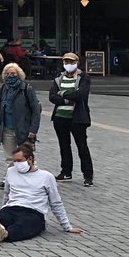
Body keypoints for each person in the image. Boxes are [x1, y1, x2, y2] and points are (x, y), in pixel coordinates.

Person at [0, 144, 83, 242]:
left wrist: (67, 226)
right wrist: (3, 209)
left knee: (24, 224)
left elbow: (56, 203)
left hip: (34, 211)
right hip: (12, 207)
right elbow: (7, 194)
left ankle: (5, 234)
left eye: (19, 161)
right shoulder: (11, 171)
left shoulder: (46, 176)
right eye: (15, 161)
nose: (17, 164)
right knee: (1, 217)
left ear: (30, 159)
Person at [49, 52, 93, 186]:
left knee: (82, 146)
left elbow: (81, 95)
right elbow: (52, 97)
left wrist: (62, 93)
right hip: (60, 116)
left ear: (77, 63)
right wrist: (68, 99)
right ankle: (66, 171)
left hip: (78, 118)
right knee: (64, 145)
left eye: (72, 62)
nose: (69, 64)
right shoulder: (58, 77)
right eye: (66, 62)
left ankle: (88, 176)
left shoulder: (83, 77)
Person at [0, 63, 40, 169]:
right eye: (7, 73)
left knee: (26, 157)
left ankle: (30, 175)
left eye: (13, 73)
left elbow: (35, 110)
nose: (10, 75)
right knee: (9, 158)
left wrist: (33, 129)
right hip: (7, 129)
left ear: (19, 74)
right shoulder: (3, 89)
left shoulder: (26, 89)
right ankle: (11, 177)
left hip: (24, 129)